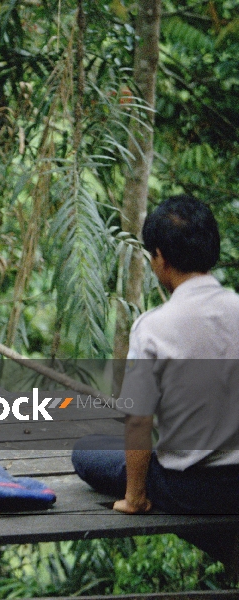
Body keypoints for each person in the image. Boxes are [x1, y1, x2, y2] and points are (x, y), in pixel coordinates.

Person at [71, 194, 239, 514]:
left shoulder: (153, 328)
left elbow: (139, 421)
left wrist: (135, 497)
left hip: (189, 489)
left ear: (159, 258)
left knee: (87, 451)